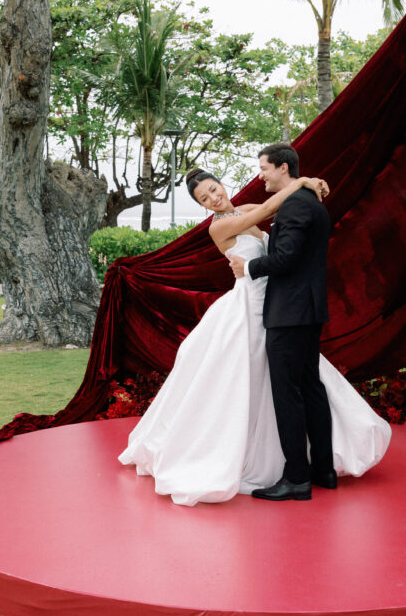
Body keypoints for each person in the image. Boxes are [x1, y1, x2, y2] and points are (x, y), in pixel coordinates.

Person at [118, 154, 391, 506]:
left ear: (221, 184)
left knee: (296, 383)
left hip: (277, 304)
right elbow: (266, 211)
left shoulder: (243, 207)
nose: (213, 198)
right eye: (204, 198)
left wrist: (308, 183)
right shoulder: (219, 227)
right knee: (262, 380)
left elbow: (279, 212)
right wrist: (302, 182)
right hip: (249, 305)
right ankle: (279, 461)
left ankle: (309, 467)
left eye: (213, 189)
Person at [227, 143, 337, 500]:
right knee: (310, 388)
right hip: (307, 310)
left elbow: (286, 257)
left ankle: (297, 478)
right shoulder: (308, 201)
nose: (260, 176)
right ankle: (323, 471)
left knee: (288, 394)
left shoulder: (295, 206)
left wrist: (249, 267)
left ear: (283, 168)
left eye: (264, 168)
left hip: (289, 313)